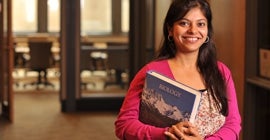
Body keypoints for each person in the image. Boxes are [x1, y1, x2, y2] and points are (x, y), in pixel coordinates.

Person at [114, 0, 241, 139]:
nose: (193, 30)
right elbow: (124, 125)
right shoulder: (152, 72)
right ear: (170, 29)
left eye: (200, 24)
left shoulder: (221, 71)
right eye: (184, 23)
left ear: (207, 30)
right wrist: (167, 133)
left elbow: (233, 124)